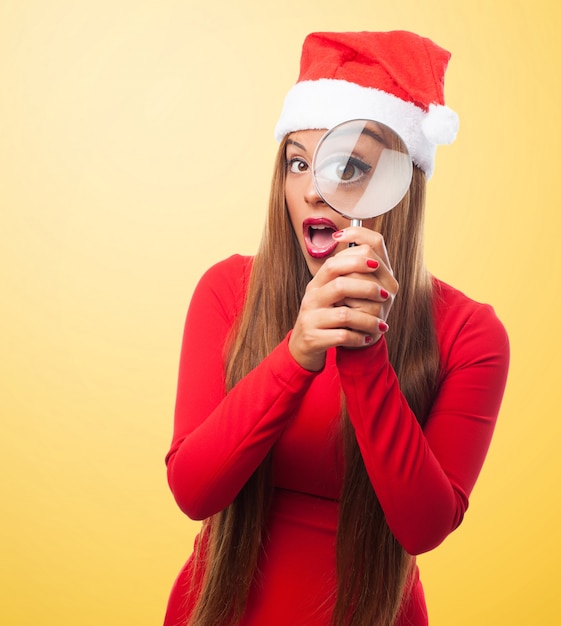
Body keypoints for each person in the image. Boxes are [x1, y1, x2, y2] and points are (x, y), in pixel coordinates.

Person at [163, 31, 510, 626]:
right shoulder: (229, 292)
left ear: (401, 184)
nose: (314, 190)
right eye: (298, 161)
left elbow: (424, 526)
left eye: (348, 164)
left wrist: (366, 353)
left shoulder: (470, 335)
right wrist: (296, 354)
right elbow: (193, 491)